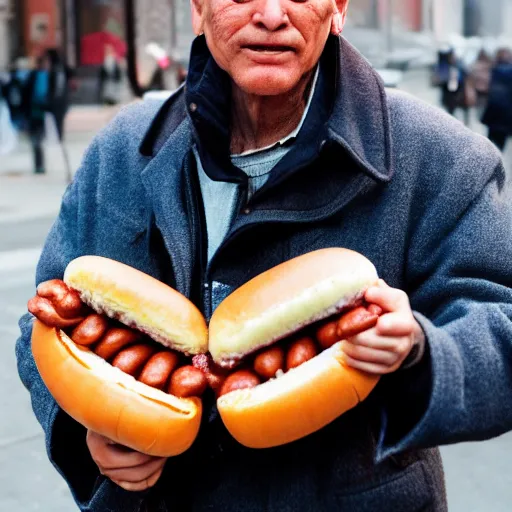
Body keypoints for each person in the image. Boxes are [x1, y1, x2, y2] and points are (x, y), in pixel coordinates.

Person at [15, 0, 512, 510]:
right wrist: (90, 430)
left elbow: (502, 326)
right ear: (198, 9)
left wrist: (418, 350)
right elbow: (43, 324)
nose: (272, 14)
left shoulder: (442, 158)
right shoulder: (121, 148)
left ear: (337, 8)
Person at [481, 47, 512, 152]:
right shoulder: (495, 69)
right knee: (499, 140)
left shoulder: (493, 69)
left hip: (495, 108)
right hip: (504, 109)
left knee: (492, 138)